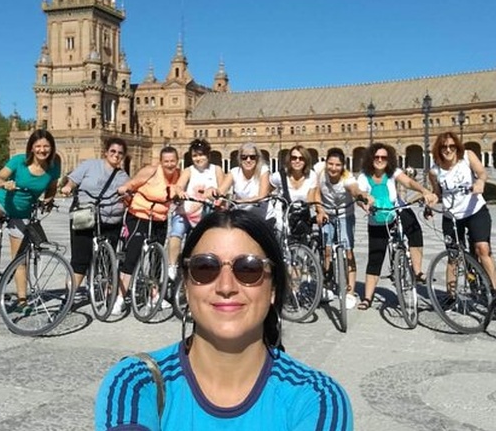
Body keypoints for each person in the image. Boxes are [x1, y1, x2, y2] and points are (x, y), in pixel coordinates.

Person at [95, 209, 353, 430]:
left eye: (249, 269)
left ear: (273, 288)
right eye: (205, 268)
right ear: (186, 286)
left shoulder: (318, 398)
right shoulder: (137, 382)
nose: (226, 286)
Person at [0, 129, 61, 310]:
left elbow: (52, 187)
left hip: (23, 213)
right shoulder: (19, 161)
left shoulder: (55, 164)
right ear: (32, 148)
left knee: (20, 260)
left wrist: (48, 199)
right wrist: (4, 183)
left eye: (46, 146)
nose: (42, 150)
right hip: (1, 203)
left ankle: (22, 301)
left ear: (52, 148)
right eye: (38, 146)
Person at [356, 142, 437, 311]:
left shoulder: (393, 172)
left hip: (396, 209)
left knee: (415, 230)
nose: (380, 160)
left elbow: (408, 182)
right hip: (377, 216)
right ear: (371, 158)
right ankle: (367, 297)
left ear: (389, 159)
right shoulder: (364, 176)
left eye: (383, 157)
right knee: (375, 257)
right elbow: (359, 193)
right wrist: (365, 202)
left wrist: (424, 191)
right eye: (376, 157)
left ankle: (417, 271)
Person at [427, 132, 496, 309]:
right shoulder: (434, 170)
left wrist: (480, 183)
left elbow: (482, 174)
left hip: (475, 210)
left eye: (452, 146)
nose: (448, 150)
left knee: (482, 248)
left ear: (457, 147)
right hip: (451, 216)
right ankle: (451, 295)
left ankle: (495, 291)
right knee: (454, 255)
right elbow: (437, 193)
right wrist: (429, 203)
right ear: (439, 149)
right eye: (444, 147)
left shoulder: (467, 157)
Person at [115, 146, 182, 315]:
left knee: (156, 259)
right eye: (166, 161)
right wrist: (124, 189)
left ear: (177, 161)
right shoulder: (150, 171)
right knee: (132, 256)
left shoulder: (178, 175)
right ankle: (120, 298)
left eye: (172, 161)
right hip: (139, 216)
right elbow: (132, 183)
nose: (169, 164)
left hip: (160, 219)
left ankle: (154, 295)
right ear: (160, 162)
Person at [59, 137, 130, 292]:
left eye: (120, 153)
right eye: (113, 151)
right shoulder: (89, 165)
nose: (116, 155)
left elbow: (129, 197)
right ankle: (69, 296)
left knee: (108, 259)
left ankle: (108, 295)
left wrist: (128, 197)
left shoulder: (123, 177)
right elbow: (72, 181)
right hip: (86, 214)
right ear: (105, 152)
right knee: (80, 259)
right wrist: (68, 187)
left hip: (111, 220)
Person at [168, 139, 226, 282]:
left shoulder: (216, 169)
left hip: (206, 214)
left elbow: (223, 189)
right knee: (176, 233)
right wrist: (180, 191)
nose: (198, 158)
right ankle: (171, 265)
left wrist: (216, 193)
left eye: (201, 155)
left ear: (208, 155)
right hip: (186, 212)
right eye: (194, 156)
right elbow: (179, 185)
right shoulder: (188, 170)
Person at [313, 147, 362, 309]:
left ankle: (350, 291)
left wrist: (362, 196)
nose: (333, 168)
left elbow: (354, 189)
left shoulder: (347, 178)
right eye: (330, 164)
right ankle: (327, 284)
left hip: (344, 215)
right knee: (326, 250)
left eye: (337, 165)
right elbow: (316, 192)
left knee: (348, 251)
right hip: (326, 213)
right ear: (325, 163)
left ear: (343, 166)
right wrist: (320, 210)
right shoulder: (319, 170)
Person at [269, 145, 317, 236]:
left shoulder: (312, 176)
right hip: (283, 217)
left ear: (306, 160)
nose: (297, 161)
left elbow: (311, 200)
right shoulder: (279, 176)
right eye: (294, 158)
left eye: (301, 158)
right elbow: (267, 191)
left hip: (302, 217)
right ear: (289, 160)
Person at [218, 142, 273, 222]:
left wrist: (241, 201)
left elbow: (262, 195)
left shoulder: (263, 170)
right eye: (244, 157)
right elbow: (221, 190)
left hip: (263, 218)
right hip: (242, 217)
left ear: (257, 158)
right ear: (240, 159)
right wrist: (214, 192)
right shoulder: (234, 172)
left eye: (252, 157)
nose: (248, 160)